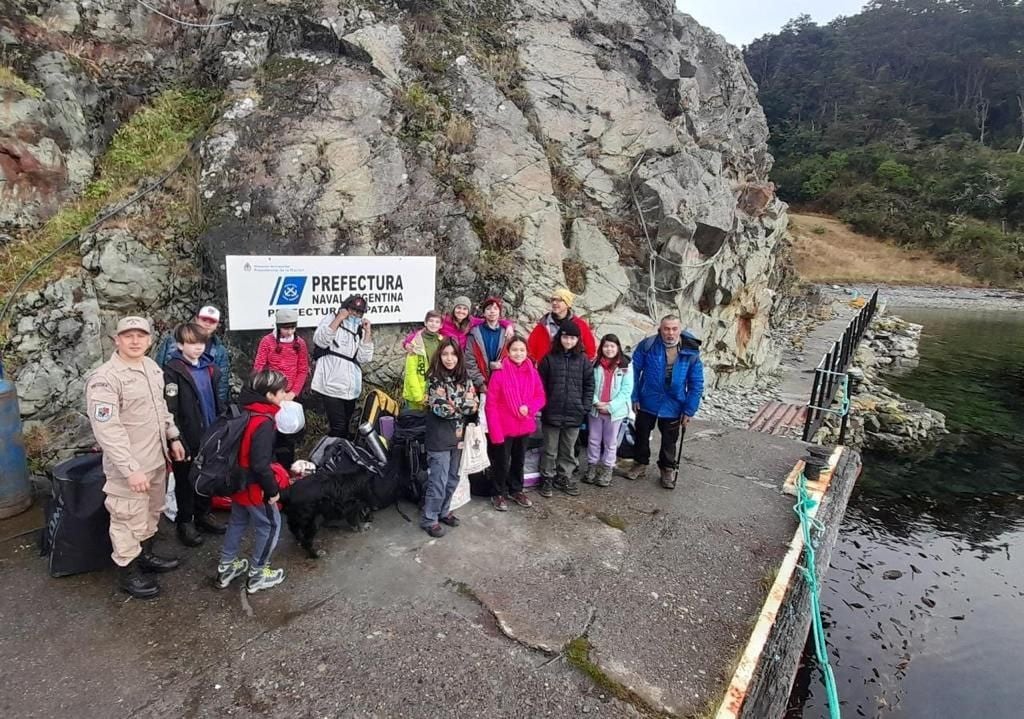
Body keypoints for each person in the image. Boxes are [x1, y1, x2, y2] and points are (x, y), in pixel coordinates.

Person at [85, 316, 187, 599]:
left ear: (149, 340)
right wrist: (131, 469)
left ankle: (145, 557)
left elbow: (161, 409)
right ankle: (128, 572)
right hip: (129, 468)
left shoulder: (151, 368)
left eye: (140, 336)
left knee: (151, 512)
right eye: (127, 336)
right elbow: (108, 431)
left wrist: (173, 436)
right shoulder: (105, 379)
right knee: (126, 518)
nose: (134, 341)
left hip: (156, 460)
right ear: (116, 340)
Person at [216, 370, 290, 594]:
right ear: (269, 395)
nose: (285, 395)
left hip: (237, 483)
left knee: (237, 522)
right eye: (281, 392)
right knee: (270, 525)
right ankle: (258, 573)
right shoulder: (264, 422)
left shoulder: (244, 412)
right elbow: (260, 464)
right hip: (255, 487)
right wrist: (272, 490)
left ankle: (226, 566)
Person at [162, 322, 226, 547]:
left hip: (210, 432)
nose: (198, 347)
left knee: (206, 477)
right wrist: (176, 438)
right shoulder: (173, 369)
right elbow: (170, 408)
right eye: (191, 343)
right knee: (185, 480)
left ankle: (203, 514)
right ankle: (185, 521)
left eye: (201, 342)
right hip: (187, 435)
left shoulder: (209, 367)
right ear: (179, 345)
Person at [626, 316, 704, 489]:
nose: (670, 333)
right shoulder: (648, 345)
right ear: (660, 329)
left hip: (674, 403)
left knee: (670, 439)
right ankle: (640, 463)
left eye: (674, 329)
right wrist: (634, 396)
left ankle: (667, 468)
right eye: (666, 329)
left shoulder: (690, 351)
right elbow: (634, 371)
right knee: (641, 434)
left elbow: (696, 383)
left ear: (679, 329)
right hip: (648, 399)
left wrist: (689, 410)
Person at [422, 338, 479, 538]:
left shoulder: (465, 378)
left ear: (458, 356)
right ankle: (430, 519)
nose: (449, 358)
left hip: (458, 435)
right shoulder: (433, 379)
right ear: (439, 355)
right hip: (438, 437)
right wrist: (462, 407)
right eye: (445, 354)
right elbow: (440, 408)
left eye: (453, 354)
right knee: (438, 479)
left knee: (453, 478)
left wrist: (459, 407)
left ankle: (443, 511)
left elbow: (474, 404)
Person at [483, 336, 545, 511]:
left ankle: (516, 489)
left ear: (527, 352)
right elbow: (491, 405)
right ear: (508, 352)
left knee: (519, 460)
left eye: (522, 350)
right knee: (501, 461)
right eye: (515, 350)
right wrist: (494, 431)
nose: (518, 353)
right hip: (503, 426)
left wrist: (530, 407)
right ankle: (498, 493)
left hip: (524, 425)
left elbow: (540, 396)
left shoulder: (532, 372)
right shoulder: (499, 373)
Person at [536, 321, 594, 498]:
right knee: (550, 448)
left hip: (574, 412)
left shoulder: (583, 361)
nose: (568, 341)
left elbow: (589, 384)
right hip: (552, 410)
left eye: (572, 338)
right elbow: (540, 385)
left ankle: (565, 476)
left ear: (578, 340)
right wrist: (544, 405)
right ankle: (547, 477)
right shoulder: (549, 358)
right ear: (559, 337)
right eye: (565, 337)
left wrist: (584, 406)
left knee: (568, 449)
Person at [252, 308, 309, 467]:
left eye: (292, 327)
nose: (289, 331)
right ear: (278, 326)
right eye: (286, 328)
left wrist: (293, 393)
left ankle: (286, 469)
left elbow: (303, 369)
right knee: (269, 434)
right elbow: (259, 368)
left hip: (289, 396)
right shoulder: (267, 341)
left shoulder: (300, 343)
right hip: (270, 396)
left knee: (287, 437)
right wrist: (266, 392)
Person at [311, 295, 373, 438]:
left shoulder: (359, 329)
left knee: (346, 426)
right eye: (352, 310)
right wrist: (339, 318)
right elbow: (320, 340)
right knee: (338, 427)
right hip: (330, 383)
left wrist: (367, 332)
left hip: (350, 386)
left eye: (359, 312)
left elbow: (364, 357)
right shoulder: (331, 318)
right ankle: (329, 456)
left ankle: (342, 456)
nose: (355, 314)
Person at [582, 334, 634, 488]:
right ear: (601, 348)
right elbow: (589, 385)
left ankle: (607, 469)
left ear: (617, 347)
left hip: (614, 412)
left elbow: (626, 390)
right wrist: (596, 402)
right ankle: (592, 466)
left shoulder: (626, 365)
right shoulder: (594, 364)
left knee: (610, 442)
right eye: (606, 346)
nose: (609, 349)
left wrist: (610, 406)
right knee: (593, 440)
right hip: (596, 410)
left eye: (612, 346)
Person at [155, 305, 231, 406]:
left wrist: (220, 408)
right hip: (174, 399)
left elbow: (222, 384)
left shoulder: (220, 350)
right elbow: (158, 370)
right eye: (204, 319)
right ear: (196, 319)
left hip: (205, 402)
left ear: (217, 324)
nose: (207, 324)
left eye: (212, 321)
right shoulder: (173, 341)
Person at [527, 288, 597, 362]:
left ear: (568, 304)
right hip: (546, 370)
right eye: (553, 300)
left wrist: (579, 366)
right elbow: (530, 350)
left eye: (559, 300)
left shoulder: (580, 325)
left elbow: (590, 350)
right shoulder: (543, 325)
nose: (554, 303)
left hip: (573, 370)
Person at [464, 296, 513, 393]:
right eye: (488, 309)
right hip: (480, 384)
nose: (492, 311)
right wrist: (480, 382)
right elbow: (469, 361)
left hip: (502, 384)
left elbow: (512, 357)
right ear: (484, 313)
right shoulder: (474, 333)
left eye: (495, 308)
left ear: (499, 312)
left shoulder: (507, 333)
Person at [402, 309, 444, 409]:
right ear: (425, 322)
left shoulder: (442, 341)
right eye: (431, 321)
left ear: (441, 325)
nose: (433, 324)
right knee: (415, 422)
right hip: (417, 392)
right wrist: (418, 396)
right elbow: (410, 372)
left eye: (437, 322)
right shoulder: (415, 343)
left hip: (435, 390)